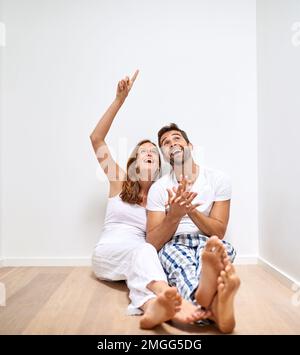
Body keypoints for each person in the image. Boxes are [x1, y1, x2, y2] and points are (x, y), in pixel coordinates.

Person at [90, 71, 210, 329]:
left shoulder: (161, 194)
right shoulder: (119, 182)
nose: (148, 154)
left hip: (142, 258)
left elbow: (158, 239)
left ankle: (153, 307)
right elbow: (96, 139)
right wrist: (119, 100)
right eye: (142, 151)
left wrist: (175, 213)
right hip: (108, 254)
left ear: (158, 165)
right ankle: (178, 305)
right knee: (143, 252)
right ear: (133, 162)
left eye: (152, 153)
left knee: (145, 252)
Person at [146, 123, 241, 333]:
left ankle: (207, 298)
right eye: (166, 143)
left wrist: (190, 210)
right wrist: (174, 215)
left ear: (190, 145)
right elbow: (152, 243)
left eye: (176, 138)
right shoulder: (159, 189)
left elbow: (218, 232)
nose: (172, 143)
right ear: (163, 153)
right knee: (184, 267)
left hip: (209, 241)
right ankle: (213, 302)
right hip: (174, 242)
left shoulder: (218, 179)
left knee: (220, 249)